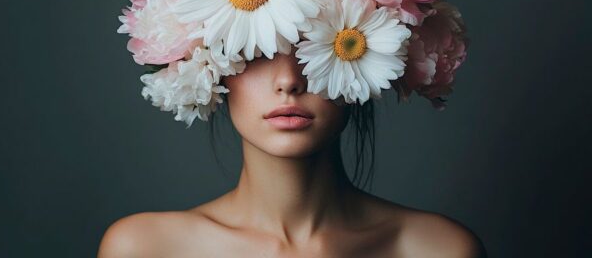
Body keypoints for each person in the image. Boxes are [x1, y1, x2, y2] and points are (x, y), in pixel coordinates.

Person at [97, 46, 486, 257]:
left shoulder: (440, 250)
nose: (288, 80)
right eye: (255, 51)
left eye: (314, 45)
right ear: (211, 67)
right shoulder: (144, 249)